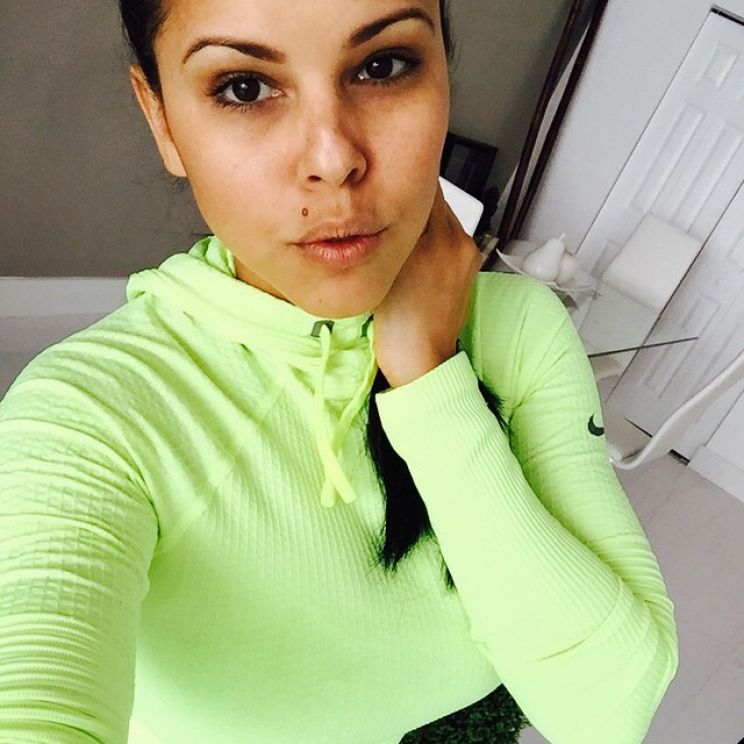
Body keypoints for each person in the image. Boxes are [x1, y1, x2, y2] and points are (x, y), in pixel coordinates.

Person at [0, 1, 679, 742]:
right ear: (161, 118)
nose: (333, 159)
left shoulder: (521, 331)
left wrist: (431, 381)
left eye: (382, 66)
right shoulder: (87, 417)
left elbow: (607, 711)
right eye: (244, 87)